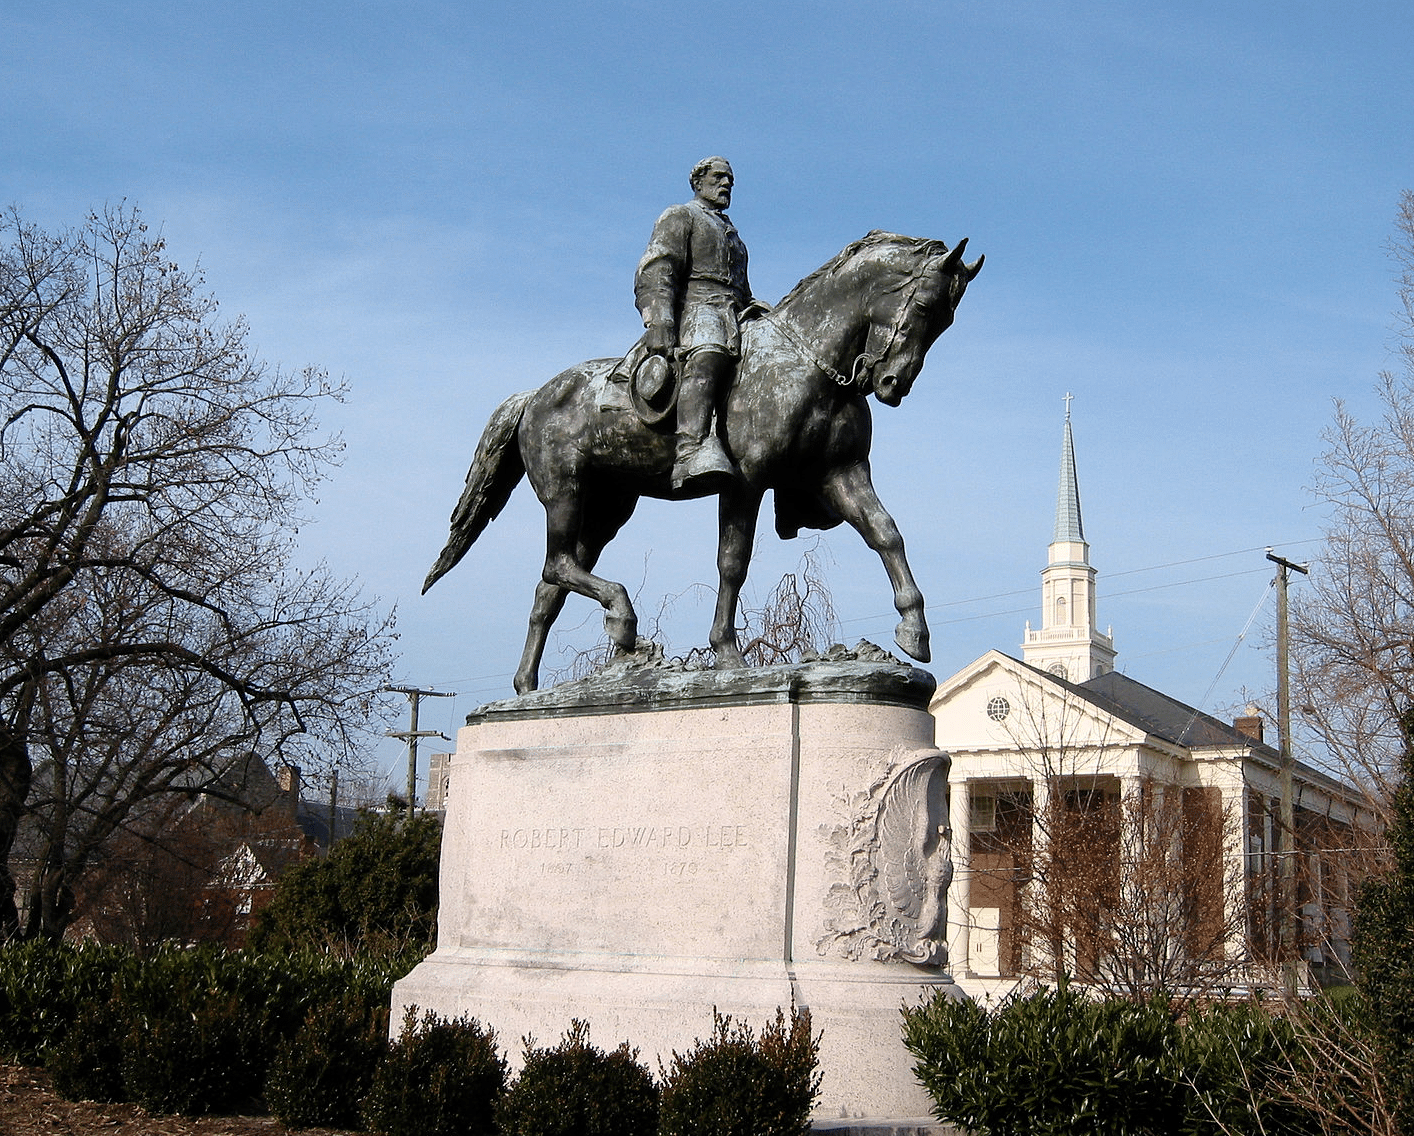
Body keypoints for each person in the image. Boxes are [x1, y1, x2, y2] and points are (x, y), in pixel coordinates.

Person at [635, 156, 765, 494]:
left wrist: (758, 309)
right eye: (719, 178)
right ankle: (689, 450)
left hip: (734, 312)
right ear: (698, 182)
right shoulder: (681, 215)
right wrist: (660, 320)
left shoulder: (734, 237)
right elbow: (657, 269)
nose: (726, 185)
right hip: (696, 311)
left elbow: (742, 287)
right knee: (709, 352)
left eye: (730, 181)